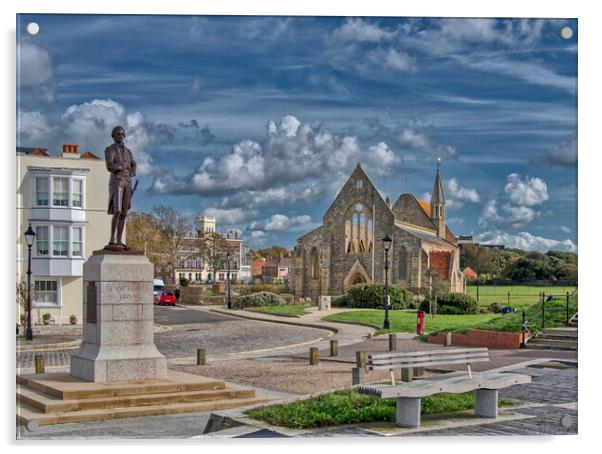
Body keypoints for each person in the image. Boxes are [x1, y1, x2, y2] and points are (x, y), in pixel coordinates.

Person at [105, 126, 136, 250]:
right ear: (113, 136)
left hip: (127, 181)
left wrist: (133, 171)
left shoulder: (128, 151)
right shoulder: (110, 149)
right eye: (118, 134)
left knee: (124, 212)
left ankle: (119, 239)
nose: (120, 136)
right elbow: (109, 165)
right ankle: (112, 239)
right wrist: (121, 166)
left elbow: (133, 163)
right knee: (117, 210)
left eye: (122, 134)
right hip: (117, 181)